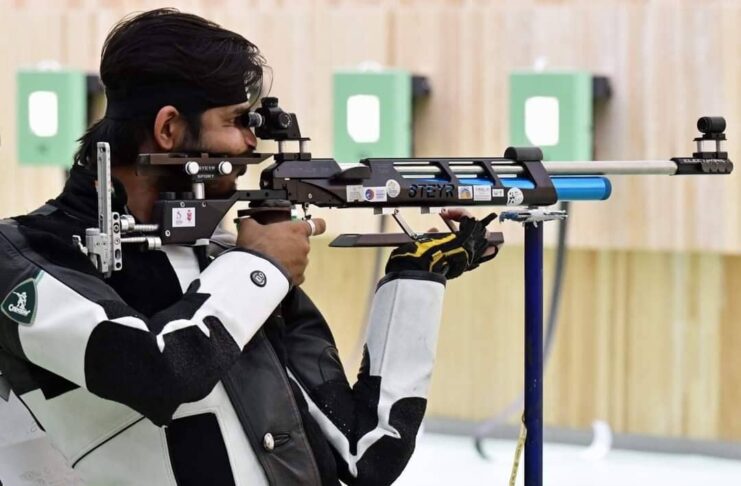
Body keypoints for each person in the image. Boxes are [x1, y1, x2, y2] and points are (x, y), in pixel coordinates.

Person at [0, 9, 497, 486]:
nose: (248, 145)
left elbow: (367, 451)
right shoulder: (24, 255)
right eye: (238, 121)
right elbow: (159, 372)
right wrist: (260, 267)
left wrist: (414, 279)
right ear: (169, 128)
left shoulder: (219, 259)